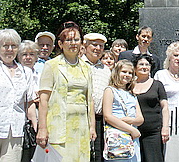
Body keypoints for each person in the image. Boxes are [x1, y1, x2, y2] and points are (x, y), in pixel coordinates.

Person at [36, 21, 96, 161]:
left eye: (76, 39)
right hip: (59, 125)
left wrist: (92, 126)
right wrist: (42, 128)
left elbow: (90, 99)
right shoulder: (52, 65)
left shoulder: (87, 68)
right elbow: (44, 99)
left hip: (81, 126)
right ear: (60, 44)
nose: (73, 43)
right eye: (68, 40)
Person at [0, 29, 36, 161]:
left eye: (14, 46)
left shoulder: (26, 72)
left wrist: (37, 126)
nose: (10, 49)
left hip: (15, 132)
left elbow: (29, 102)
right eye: (6, 46)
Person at [154, 42, 179, 161]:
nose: (178, 59)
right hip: (168, 124)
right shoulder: (160, 75)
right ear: (169, 56)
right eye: (175, 55)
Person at [102, 59, 144, 162]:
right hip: (117, 137)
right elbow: (108, 116)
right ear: (117, 72)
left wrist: (131, 121)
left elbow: (140, 118)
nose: (127, 75)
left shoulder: (131, 94)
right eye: (124, 71)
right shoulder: (110, 90)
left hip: (132, 138)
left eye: (130, 73)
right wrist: (131, 129)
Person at [132, 54, 169, 162]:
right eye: (141, 64)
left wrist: (165, 127)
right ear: (135, 67)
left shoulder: (157, 85)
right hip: (132, 131)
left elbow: (165, 107)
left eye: (147, 64)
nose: (144, 67)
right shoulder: (129, 85)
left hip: (153, 132)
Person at [82, 33, 111, 162]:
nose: (98, 48)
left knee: (98, 155)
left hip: (99, 120)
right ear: (85, 46)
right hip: (80, 118)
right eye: (94, 45)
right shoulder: (77, 65)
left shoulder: (106, 69)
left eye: (101, 46)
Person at [17, 40, 40, 162]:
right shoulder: (17, 74)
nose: (28, 57)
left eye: (31, 54)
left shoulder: (39, 74)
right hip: (24, 120)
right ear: (18, 56)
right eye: (24, 54)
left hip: (39, 115)